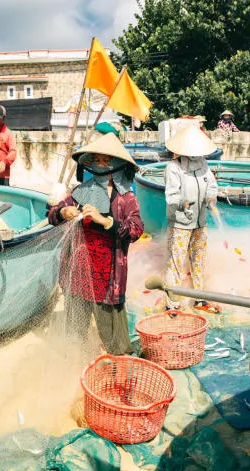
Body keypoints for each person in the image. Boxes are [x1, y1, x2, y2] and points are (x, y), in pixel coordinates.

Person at [48, 133, 144, 355]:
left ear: (118, 165)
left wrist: (105, 221)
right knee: (74, 334)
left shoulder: (125, 198)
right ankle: (77, 368)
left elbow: (136, 229)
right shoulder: (80, 192)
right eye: (97, 160)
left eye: (106, 161)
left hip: (107, 278)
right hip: (78, 271)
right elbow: (52, 215)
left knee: (115, 339)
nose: (101, 165)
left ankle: (117, 372)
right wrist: (64, 211)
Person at [163, 126, 220, 313]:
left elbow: (211, 185)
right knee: (176, 262)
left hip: (200, 222)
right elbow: (171, 195)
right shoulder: (174, 168)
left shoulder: (204, 165)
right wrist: (183, 203)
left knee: (199, 260)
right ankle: (172, 303)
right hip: (180, 223)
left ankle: (199, 299)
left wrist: (211, 198)